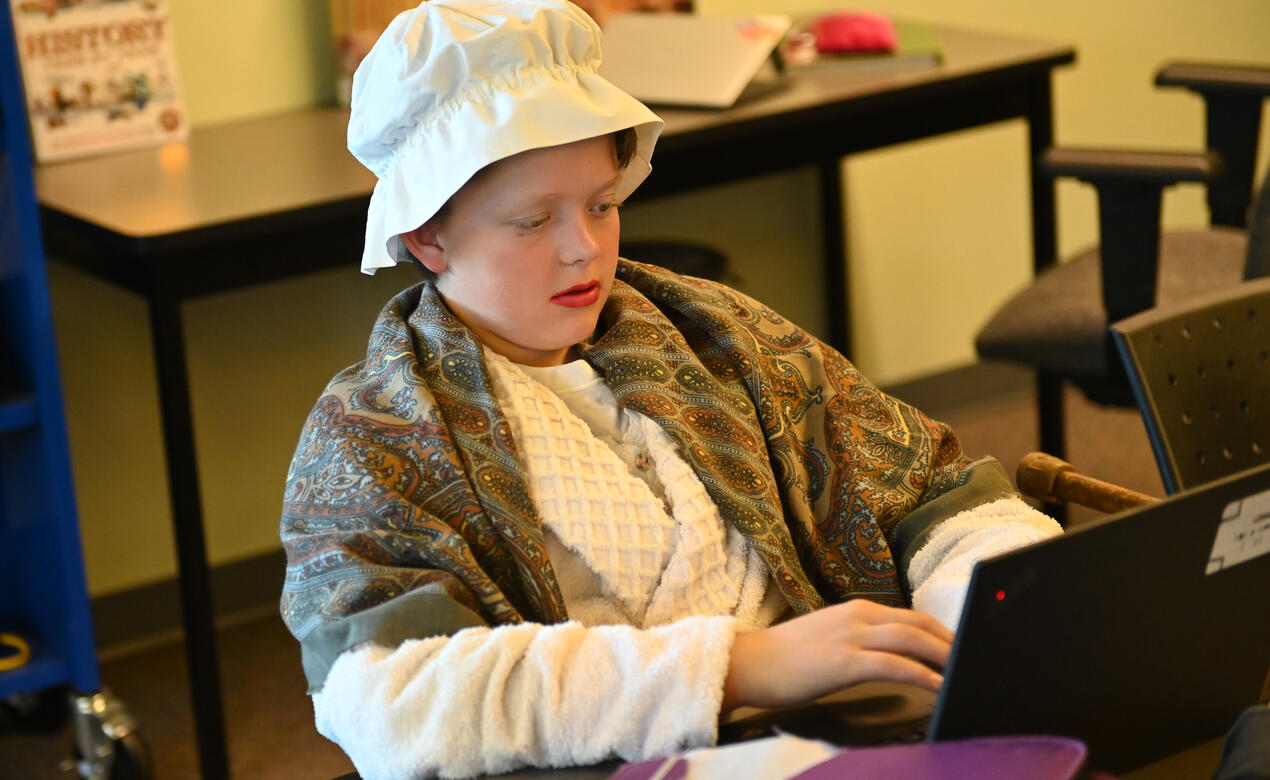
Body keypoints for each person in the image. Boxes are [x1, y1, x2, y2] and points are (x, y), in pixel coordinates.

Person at [279, 1, 1061, 778]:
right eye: (530, 221)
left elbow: (937, 493)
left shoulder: (712, 332)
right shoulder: (374, 434)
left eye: (602, 204)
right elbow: (392, 705)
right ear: (426, 234)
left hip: (833, 736)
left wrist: (979, 619)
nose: (583, 248)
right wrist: (738, 668)